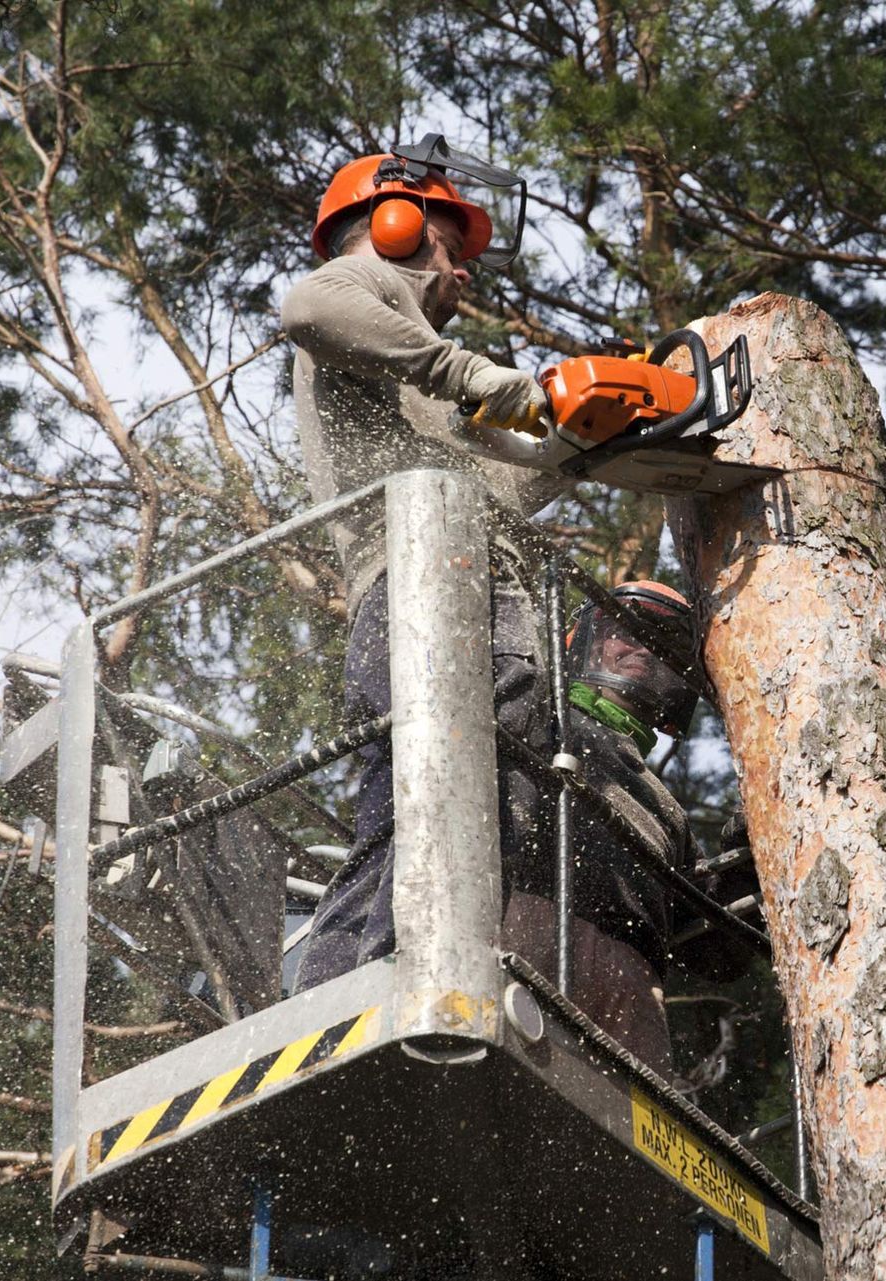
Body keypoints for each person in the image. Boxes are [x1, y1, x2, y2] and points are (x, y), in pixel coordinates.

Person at [284, 149, 567, 989]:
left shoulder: (420, 376)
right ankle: (400, 979)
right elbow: (306, 305)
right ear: (395, 226)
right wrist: (473, 373)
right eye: (448, 245)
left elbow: (513, 480)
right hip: (427, 589)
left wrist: (583, 441)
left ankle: (334, 1002)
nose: (460, 269)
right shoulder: (353, 299)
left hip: (438, 588)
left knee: (401, 822)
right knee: (468, 791)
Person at [503, 581, 710, 1072]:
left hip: (631, 997)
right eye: (625, 631)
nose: (641, 647)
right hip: (525, 941)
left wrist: (750, 857)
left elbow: (714, 949)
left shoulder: (666, 810)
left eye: (661, 643)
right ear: (586, 642)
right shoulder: (536, 715)